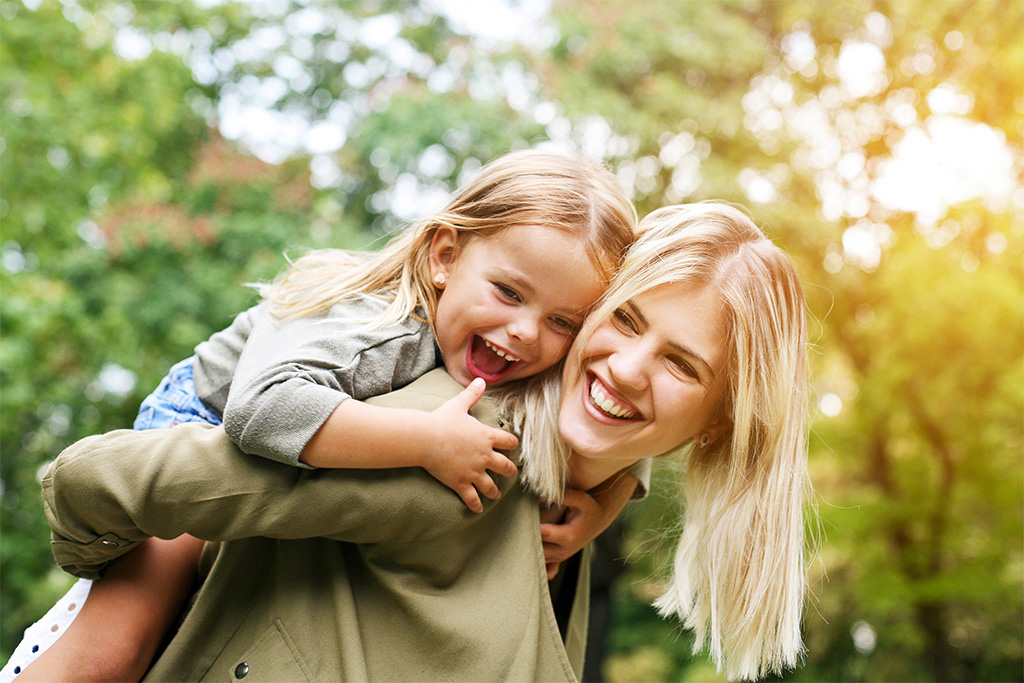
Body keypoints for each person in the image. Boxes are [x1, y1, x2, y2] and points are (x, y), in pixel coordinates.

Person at [35, 201, 810, 681]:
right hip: (217, 407)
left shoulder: (569, 507)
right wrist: (105, 564)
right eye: (628, 321)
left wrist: (611, 494)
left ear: (718, 422)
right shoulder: (455, 446)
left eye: (680, 364)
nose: (629, 368)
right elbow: (101, 477)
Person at [3, 149, 642, 682]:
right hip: (208, 413)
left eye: (564, 322)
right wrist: (424, 440)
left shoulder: (517, 352)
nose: (527, 333)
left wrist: (607, 503)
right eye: (508, 292)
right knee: (122, 640)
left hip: (295, 428)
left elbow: (623, 420)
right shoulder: (373, 329)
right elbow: (261, 411)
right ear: (445, 257)